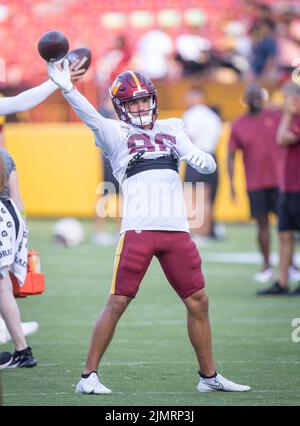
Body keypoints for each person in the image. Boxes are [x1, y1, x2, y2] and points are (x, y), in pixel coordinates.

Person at [48, 62, 251, 394]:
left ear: (153, 100)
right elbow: (90, 116)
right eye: (133, 103)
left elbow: (198, 155)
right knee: (118, 301)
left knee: (198, 300)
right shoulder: (115, 134)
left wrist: (202, 158)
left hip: (177, 231)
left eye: (145, 100)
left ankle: (209, 376)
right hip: (139, 230)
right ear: (121, 107)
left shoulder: (172, 126)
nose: (141, 107)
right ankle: (88, 377)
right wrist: (68, 89)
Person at [0, 63, 85, 368]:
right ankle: (20, 349)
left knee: (1, 285)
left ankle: (21, 350)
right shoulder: (5, 154)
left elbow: (19, 102)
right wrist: (55, 82)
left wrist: (55, 82)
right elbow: (19, 102)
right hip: (8, 216)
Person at [228, 83, 282, 283]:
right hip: (256, 182)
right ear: (246, 99)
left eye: (258, 95)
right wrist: (233, 185)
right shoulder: (239, 124)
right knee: (262, 224)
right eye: (251, 96)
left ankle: (290, 265)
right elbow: (230, 155)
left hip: (280, 180)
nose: (255, 99)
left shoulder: (276, 117)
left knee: (286, 225)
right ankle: (267, 265)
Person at [257, 81, 300, 295]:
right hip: (288, 188)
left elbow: (282, 138)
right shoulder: (289, 119)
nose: (284, 103)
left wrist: (289, 115)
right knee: (284, 234)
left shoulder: (295, 120)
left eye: (288, 99)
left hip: (298, 188)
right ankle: (282, 282)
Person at [183, 87, 222, 244]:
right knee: (206, 197)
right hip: (211, 156)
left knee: (193, 197)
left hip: (196, 156)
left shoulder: (191, 114)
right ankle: (205, 232)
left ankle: (196, 231)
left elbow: (188, 137)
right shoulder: (213, 116)